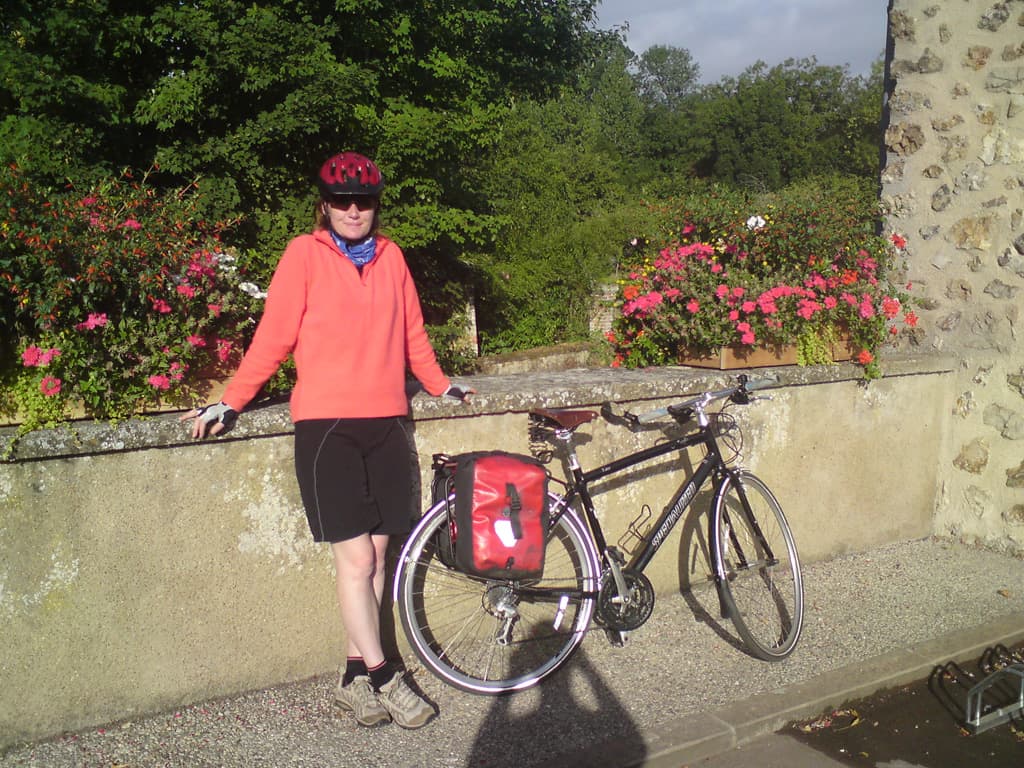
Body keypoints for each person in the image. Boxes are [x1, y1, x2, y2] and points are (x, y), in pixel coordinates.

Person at [181, 151, 472, 729]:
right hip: (327, 429)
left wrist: (441, 385)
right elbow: (274, 337)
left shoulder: (391, 257)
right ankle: (386, 677)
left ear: (375, 205)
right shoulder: (303, 255)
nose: (353, 210)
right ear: (325, 205)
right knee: (356, 558)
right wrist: (231, 399)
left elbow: (412, 333)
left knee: (380, 558)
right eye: (342, 201)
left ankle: (353, 678)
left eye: (363, 201)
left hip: (387, 424)